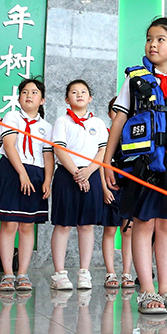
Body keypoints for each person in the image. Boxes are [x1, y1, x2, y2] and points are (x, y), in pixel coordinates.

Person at [104, 17, 167, 316]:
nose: (153, 44)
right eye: (149, 39)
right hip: (142, 166)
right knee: (143, 225)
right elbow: (120, 119)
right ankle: (146, 291)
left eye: (160, 39)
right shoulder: (134, 79)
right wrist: (107, 161)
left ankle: (166, 290)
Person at [0, 78, 54, 293]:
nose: (29, 95)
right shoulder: (11, 117)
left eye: (34, 92)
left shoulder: (47, 127)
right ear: (18, 98)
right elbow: (9, 146)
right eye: (25, 92)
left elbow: (48, 156)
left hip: (36, 174)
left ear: (42, 100)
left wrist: (47, 180)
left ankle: (23, 273)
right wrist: (22, 174)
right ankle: (8, 274)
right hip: (12, 170)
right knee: (9, 224)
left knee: (27, 226)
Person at [50, 79, 108, 291]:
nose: (79, 95)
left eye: (83, 91)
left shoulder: (98, 123)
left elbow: (102, 151)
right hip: (67, 175)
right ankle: (59, 274)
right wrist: (76, 173)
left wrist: (88, 172)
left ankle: (84, 272)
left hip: (90, 174)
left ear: (90, 98)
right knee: (63, 225)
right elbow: (59, 149)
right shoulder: (62, 122)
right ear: (67, 99)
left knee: (86, 226)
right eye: (74, 92)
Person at [101, 97, 133, 290]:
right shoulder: (104, 134)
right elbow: (100, 165)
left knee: (128, 230)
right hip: (110, 188)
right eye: (115, 110)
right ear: (109, 114)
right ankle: (110, 272)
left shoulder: (133, 136)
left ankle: (126, 272)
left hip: (128, 188)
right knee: (110, 230)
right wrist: (105, 188)